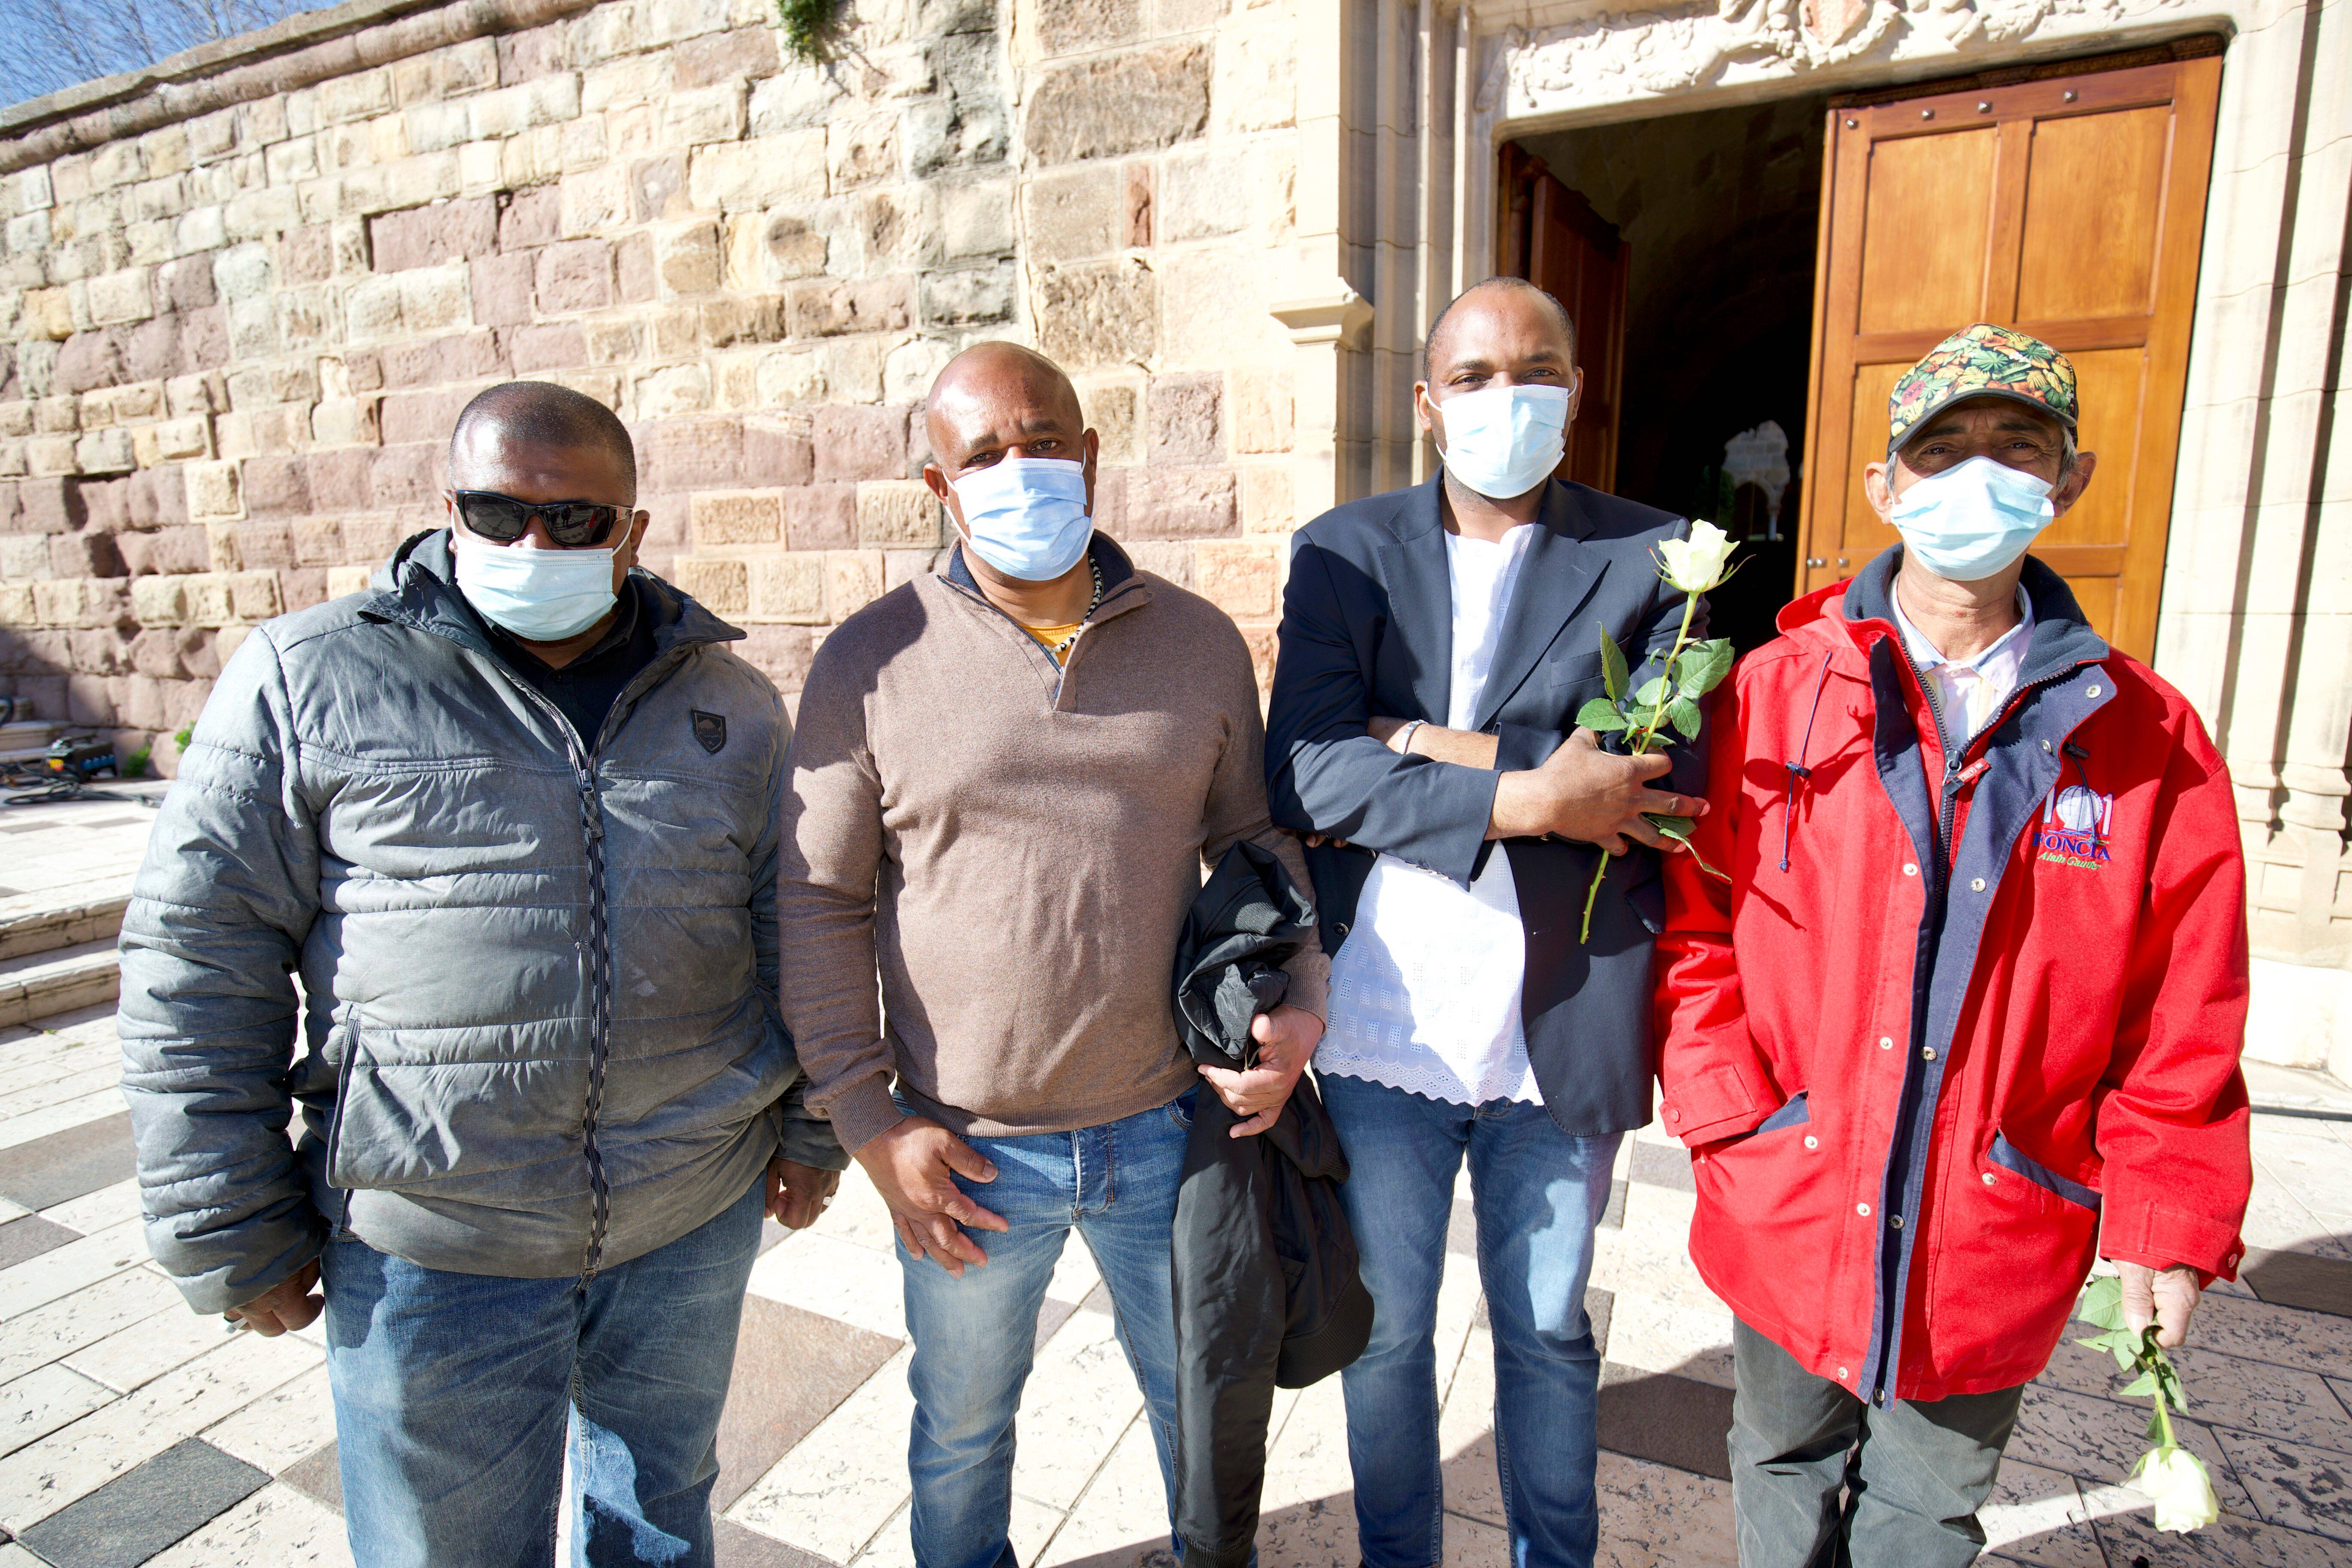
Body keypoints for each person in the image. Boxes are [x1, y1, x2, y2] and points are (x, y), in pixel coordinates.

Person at [116, 381, 845, 1568]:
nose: (533, 545)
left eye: (575, 520)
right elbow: (199, 957)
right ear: (449, 510)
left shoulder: (728, 702)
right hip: (433, 1245)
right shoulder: (311, 678)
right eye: (501, 513)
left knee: (660, 1522)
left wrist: (813, 1129)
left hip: (686, 1217)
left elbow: (792, 934)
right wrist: (229, 1222)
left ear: (631, 530)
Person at [1654, 323, 2252, 1566]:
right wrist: (1728, 1111)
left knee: (1926, 1513)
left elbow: (2185, 1007)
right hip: (1795, 1188)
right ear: (1886, 486)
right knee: (1778, 1461)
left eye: (2016, 446)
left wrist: (2167, 1213)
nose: (1977, 474)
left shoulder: (2144, 736)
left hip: (1993, 1224)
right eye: (1942, 451)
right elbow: (1696, 922)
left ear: (2068, 480)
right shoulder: (1774, 691)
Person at [778, 342, 1329, 1568]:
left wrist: (1301, 996)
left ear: (1088, 455)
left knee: (1204, 1421)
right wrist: (868, 1122)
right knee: (962, 1433)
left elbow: (1254, 840)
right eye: (983, 454)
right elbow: (817, 900)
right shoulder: (870, 661)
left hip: (1168, 1126)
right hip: (965, 1148)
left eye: (1042, 443)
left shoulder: (1196, 641)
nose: (1018, 469)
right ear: (939, 486)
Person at [1264, 276, 1710, 1568]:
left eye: (1536, 373)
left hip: (1556, 1021)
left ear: (1576, 392)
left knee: (1549, 1334)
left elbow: (1645, 778)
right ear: (1426, 402)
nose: (1504, 398)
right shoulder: (1345, 551)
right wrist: (1529, 792)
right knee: (1389, 1335)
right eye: (1473, 376)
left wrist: (1405, 738)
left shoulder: (1658, 556)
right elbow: (1306, 771)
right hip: (1384, 1022)